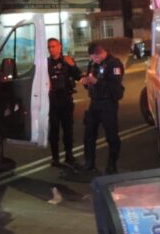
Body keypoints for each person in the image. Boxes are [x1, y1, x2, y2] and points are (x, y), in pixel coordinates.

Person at [77, 42, 124, 174]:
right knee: (89, 134)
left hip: (108, 104)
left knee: (111, 136)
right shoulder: (92, 64)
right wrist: (86, 82)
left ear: (101, 53)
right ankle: (89, 163)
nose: (93, 60)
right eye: (91, 58)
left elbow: (115, 88)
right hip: (95, 103)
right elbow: (90, 81)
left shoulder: (114, 64)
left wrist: (97, 82)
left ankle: (111, 165)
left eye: (95, 57)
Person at [46, 37, 81, 166]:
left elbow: (78, 75)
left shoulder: (67, 61)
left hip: (66, 99)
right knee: (54, 130)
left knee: (68, 129)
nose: (51, 49)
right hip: (53, 100)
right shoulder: (46, 63)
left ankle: (69, 155)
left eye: (54, 46)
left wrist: (72, 65)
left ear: (60, 47)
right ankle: (55, 158)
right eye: (49, 47)